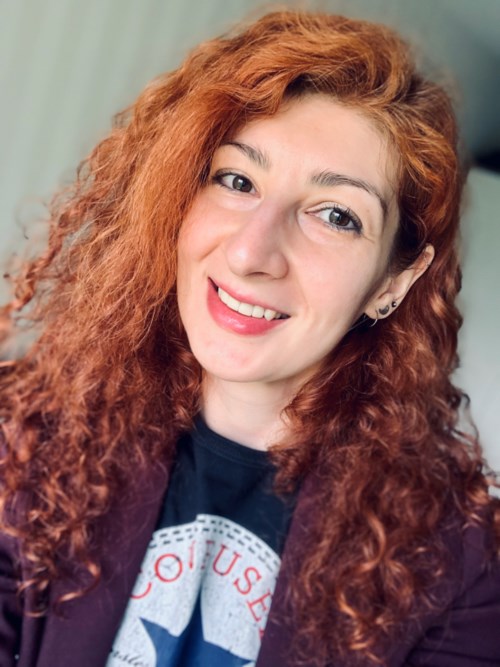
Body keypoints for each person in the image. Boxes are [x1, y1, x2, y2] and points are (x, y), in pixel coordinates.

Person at [1, 9, 499, 667]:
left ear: (393, 282)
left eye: (336, 215)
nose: (249, 253)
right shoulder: (22, 435)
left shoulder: (464, 569)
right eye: (237, 181)